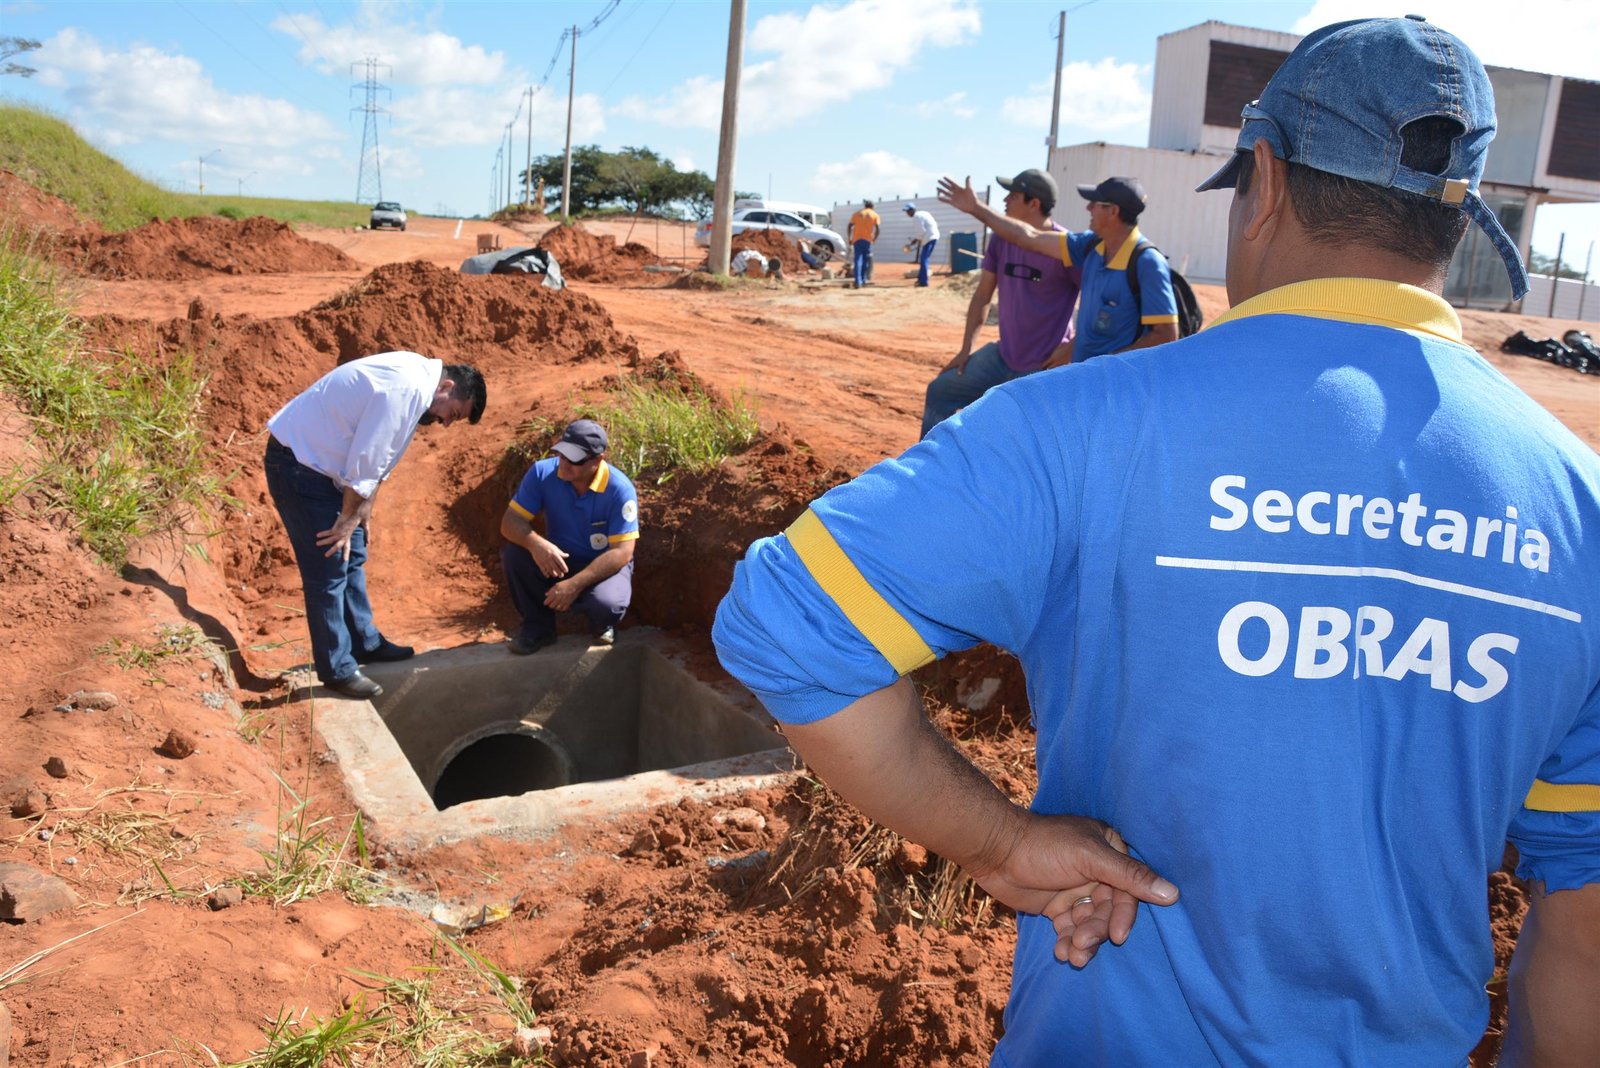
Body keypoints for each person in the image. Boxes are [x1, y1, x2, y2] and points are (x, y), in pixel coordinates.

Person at [715, 15, 1600, 1066]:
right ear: (1456, 225)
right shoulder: (1577, 506)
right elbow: (1581, 932)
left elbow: (787, 624)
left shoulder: (1069, 430)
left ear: (1263, 179)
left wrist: (996, 844)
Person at [265, 352, 487, 699]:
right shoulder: (408, 387)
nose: (445, 423)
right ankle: (336, 669)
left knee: (352, 556)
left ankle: (364, 642)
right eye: (452, 414)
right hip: (300, 466)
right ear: (447, 386)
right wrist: (347, 518)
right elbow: (368, 458)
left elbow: (381, 456)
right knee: (329, 564)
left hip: (322, 469)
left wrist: (362, 509)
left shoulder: (416, 383)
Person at [940, 173, 1179, 362]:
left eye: (1094, 203)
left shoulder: (1147, 263)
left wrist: (1107, 364)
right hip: (1081, 375)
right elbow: (1030, 237)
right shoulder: (1089, 246)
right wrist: (976, 208)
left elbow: (1166, 336)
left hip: (1112, 386)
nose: (1088, 209)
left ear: (1113, 211)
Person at [918, 168, 1082, 438]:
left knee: (1010, 432)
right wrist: (965, 349)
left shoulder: (1065, 246)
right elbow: (983, 295)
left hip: (1043, 366)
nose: (1005, 201)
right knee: (941, 390)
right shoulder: (1001, 240)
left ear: (1034, 203)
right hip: (1003, 356)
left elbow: (1095, 300)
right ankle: (930, 470)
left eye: (1013, 195)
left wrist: (1071, 348)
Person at [500, 419, 639, 654]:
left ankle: (601, 625)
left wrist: (574, 585)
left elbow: (622, 552)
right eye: (562, 454)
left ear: (597, 460)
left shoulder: (620, 489)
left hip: (602, 566)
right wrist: (537, 545)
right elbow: (509, 522)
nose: (563, 463)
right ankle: (538, 628)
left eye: (574, 460)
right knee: (514, 554)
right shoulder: (542, 473)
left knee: (608, 604)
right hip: (560, 560)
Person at [904, 202, 940, 286]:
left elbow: (921, 232)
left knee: (924, 259)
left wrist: (916, 240)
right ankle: (920, 278)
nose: (907, 213)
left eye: (908, 211)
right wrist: (917, 240)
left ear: (912, 210)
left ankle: (924, 281)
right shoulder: (923, 213)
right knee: (924, 258)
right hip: (933, 236)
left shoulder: (916, 217)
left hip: (929, 238)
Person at [847, 199, 881, 289]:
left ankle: (858, 281)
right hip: (867, 240)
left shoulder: (857, 214)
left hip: (857, 239)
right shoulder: (874, 215)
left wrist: (850, 238)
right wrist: (874, 239)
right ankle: (863, 279)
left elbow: (850, 225)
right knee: (866, 261)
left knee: (858, 260)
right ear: (872, 206)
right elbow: (877, 229)